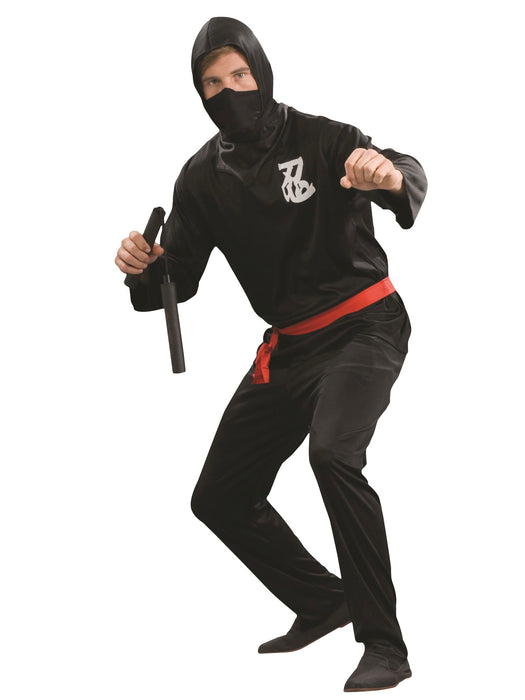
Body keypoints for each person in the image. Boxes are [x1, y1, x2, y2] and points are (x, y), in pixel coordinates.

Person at [114, 16, 427, 693]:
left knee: (332, 455)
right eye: (212, 83)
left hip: (363, 327)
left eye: (239, 75)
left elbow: (402, 172)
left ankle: (384, 644)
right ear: (199, 93)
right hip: (287, 350)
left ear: (261, 71)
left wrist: (386, 174)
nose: (229, 91)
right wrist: (145, 268)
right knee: (219, 497)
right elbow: (178, 280)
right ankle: (323, 601)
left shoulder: (323, 137)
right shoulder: (200, 176)